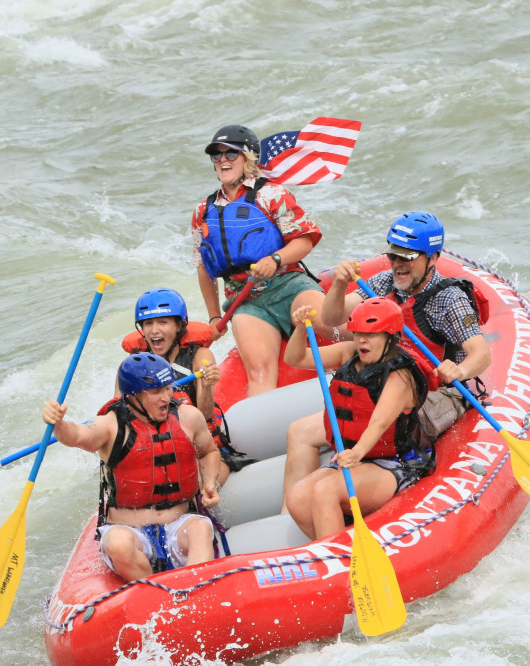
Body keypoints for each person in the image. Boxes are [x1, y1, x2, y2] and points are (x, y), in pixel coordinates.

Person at [282, 211, 490, 508]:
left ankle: (375, 476)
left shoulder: (449, 299)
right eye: (393, 256)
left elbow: (481, 354)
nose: (398, 265)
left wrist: (458, 369)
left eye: (407, 258)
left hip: (431, 392)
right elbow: (332, 319)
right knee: (299, 431)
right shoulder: (383, 283)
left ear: (432, 258)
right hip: (383, 382)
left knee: (382, 406)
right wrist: (339, 285)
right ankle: (290, 517)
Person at [42, 353, 221, 581]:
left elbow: (209, 452)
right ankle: (156, 596)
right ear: (133, 397)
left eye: (167, 387)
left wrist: (209, 483)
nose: (166, 397)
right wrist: (58, 423)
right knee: (118, 544)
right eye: (156, 391)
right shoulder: (110, 425)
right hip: (129, 531)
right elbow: (77, 435)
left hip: (180, 524)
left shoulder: (189, 417)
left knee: (201, 529)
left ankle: (197, 593)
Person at [191, 124, 335, 397]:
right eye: (217, 155)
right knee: (259, 373)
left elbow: (305, 239)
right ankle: (264, 434)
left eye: (231, 154)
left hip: (288, 285)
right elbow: (204, 267)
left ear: (248, 158)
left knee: (333, 325)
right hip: (245, 301)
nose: (223, 160)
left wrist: (276, 258)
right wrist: (213, 316)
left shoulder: (271, 194)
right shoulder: (202, 211)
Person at [283, 298, 434, 540]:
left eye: (371, 335)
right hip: (352, 459)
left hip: (392, 464)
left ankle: (337, 563)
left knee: (326, 490)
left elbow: (380, 422)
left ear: (390, 336)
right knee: (297, 498)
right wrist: (301, 328)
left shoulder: (401, 377)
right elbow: (296, 359)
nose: (362, 340)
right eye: (358, 334)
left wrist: (357, 452)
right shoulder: (349, 353)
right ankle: (337, 547)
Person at [117, 288, 250, 483]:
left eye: (163, 322)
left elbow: (204, 416)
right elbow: (120, 414)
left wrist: (205, 386)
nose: (154, 330)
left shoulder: (200, 357)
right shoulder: (132, 367)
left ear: (179, 325)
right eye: (148, 323)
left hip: (199, 445)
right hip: (155, 447)